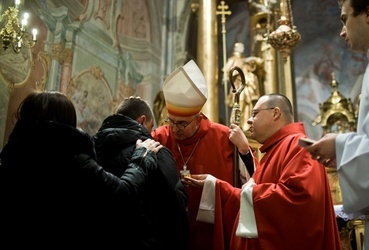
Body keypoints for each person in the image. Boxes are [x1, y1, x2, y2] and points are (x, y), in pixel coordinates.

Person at [0, 91, 162, 246]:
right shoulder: (70, 158)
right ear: (66, 123)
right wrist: (141, 158)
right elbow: (120, 194)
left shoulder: (12, 153)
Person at [184, 94, 341, 250]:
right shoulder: (276, 150)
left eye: (255, 114)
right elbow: (257, 195)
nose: (249, 120)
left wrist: (245, 192)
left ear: (275, 113)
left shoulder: (297, 146)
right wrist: (215, 186)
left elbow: (299, 198)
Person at [303, 0, 369, 249]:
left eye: (345, 19)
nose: (342, 31)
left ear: (368, 12)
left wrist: (339, 144)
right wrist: (345, 155)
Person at [151, 60, 254, 250]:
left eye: (182, 124)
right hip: (168, 231)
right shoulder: (160, 136)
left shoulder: (224, 138)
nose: (174, 129)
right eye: (171, 121)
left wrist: (244, 151)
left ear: (198, 118)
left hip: (211, 232)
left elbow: (251, 183)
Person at [93, 96, 189, 249]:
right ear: (142, 121)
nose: (150, 134)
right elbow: (176, 208)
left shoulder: (90, 147)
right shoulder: (156, 151)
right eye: (151, 128)